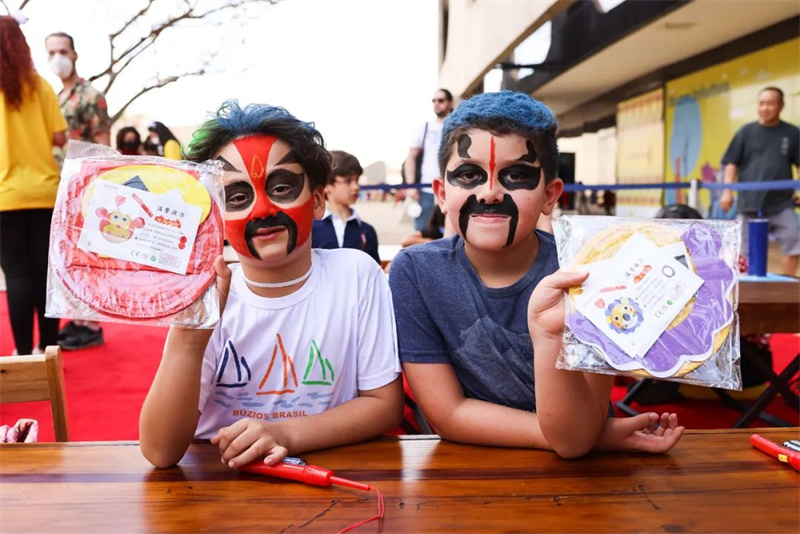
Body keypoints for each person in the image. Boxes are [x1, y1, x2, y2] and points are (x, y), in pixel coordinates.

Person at [389, 91, 684, 458]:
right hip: (477, 474)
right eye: (468, 174)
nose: (491, 192)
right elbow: (448, 414)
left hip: (588, 482)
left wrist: (581, 433)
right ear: (442, 194)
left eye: (516, 174)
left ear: (550, 195)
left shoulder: (586, 268)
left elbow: (580, 429)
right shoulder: (415, 272)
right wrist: (591, 436)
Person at [139, 101, 403, 468]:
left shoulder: (357, 275)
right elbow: (160, 451)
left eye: (281, 187)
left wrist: (286, 434)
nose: (261, 210)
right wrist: (189, 335)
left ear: (317, 201)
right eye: (237, 197)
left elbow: (384, 406)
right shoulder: (208, 294)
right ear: (215, 215)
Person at [0, 16, 67, 355]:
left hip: (5, 197)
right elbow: (59, 136)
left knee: (16, 278)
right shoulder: (40, 86)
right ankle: (50, 350)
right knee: (45, 275)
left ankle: (24, 354)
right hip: (44, 192)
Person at [45, 30, 111, 350]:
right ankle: (77, 318)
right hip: (59, 188)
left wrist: (103, 187)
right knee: (68, 257)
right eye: (51, 52)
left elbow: (103, 144)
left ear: (74, 54)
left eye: (62, 50)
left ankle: (92, 324)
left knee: (88, 256)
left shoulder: (90, 96)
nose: (57, 57)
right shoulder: (55, 98)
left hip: (86, 187)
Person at [720, 87, 800, 276]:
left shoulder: (793, 133)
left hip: (782, 203)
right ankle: (748, 289)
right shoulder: (746, 132)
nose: (764, 108)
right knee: (744, 251)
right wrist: (727, 192)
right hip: (749, 203)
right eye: (761, 103)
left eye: (770, 103)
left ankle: (789, 285)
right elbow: (731, 164)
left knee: (794, 240)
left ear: (781, 106)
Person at [311, 150, 380, 264]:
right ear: (327, 186)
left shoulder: (367, 231)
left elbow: (374, 271)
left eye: (357, 180)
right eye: (348, 181)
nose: (356, 187)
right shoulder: (311, 229)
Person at [403, 88, 454, 231]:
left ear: (450, 102)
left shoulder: (457, 127)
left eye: (441, 100)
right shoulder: (424, 128)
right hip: (425, 189)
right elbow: (411, 157)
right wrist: (411, 185)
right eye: (434, 101)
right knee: (422, 232)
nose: (436, 104)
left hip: (451, 188)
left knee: (450, 234)